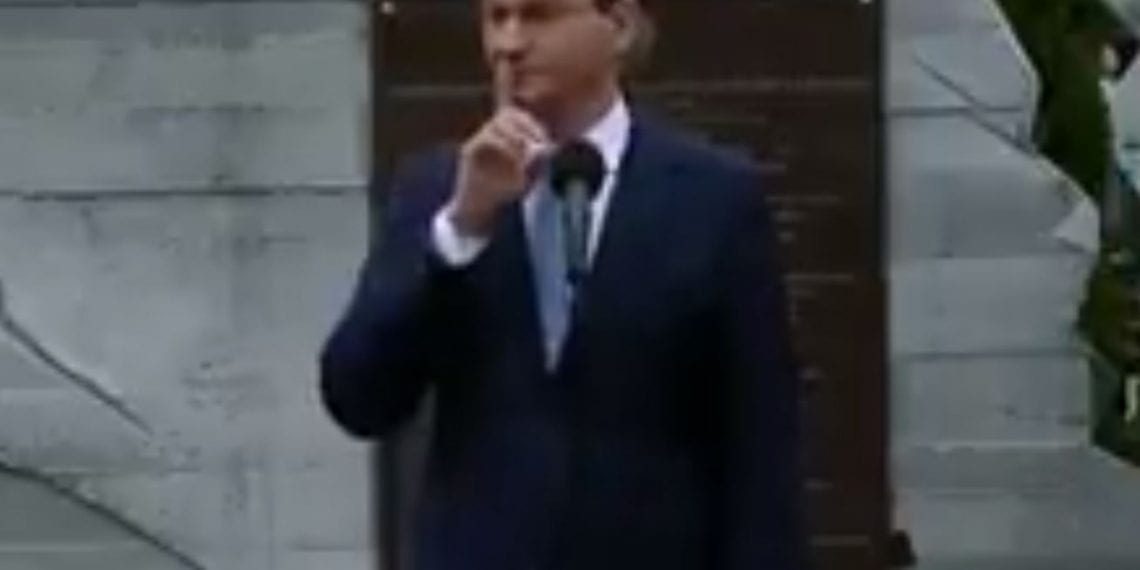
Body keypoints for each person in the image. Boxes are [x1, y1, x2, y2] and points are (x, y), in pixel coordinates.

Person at [319, 0, 804, 568]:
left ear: (618, 27)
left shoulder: (714, 197)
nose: (508, 44)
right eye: (496, 18)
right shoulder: (438, 191)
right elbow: (358, 397)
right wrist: (460, 232)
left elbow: (761, 444)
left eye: (538, 16)